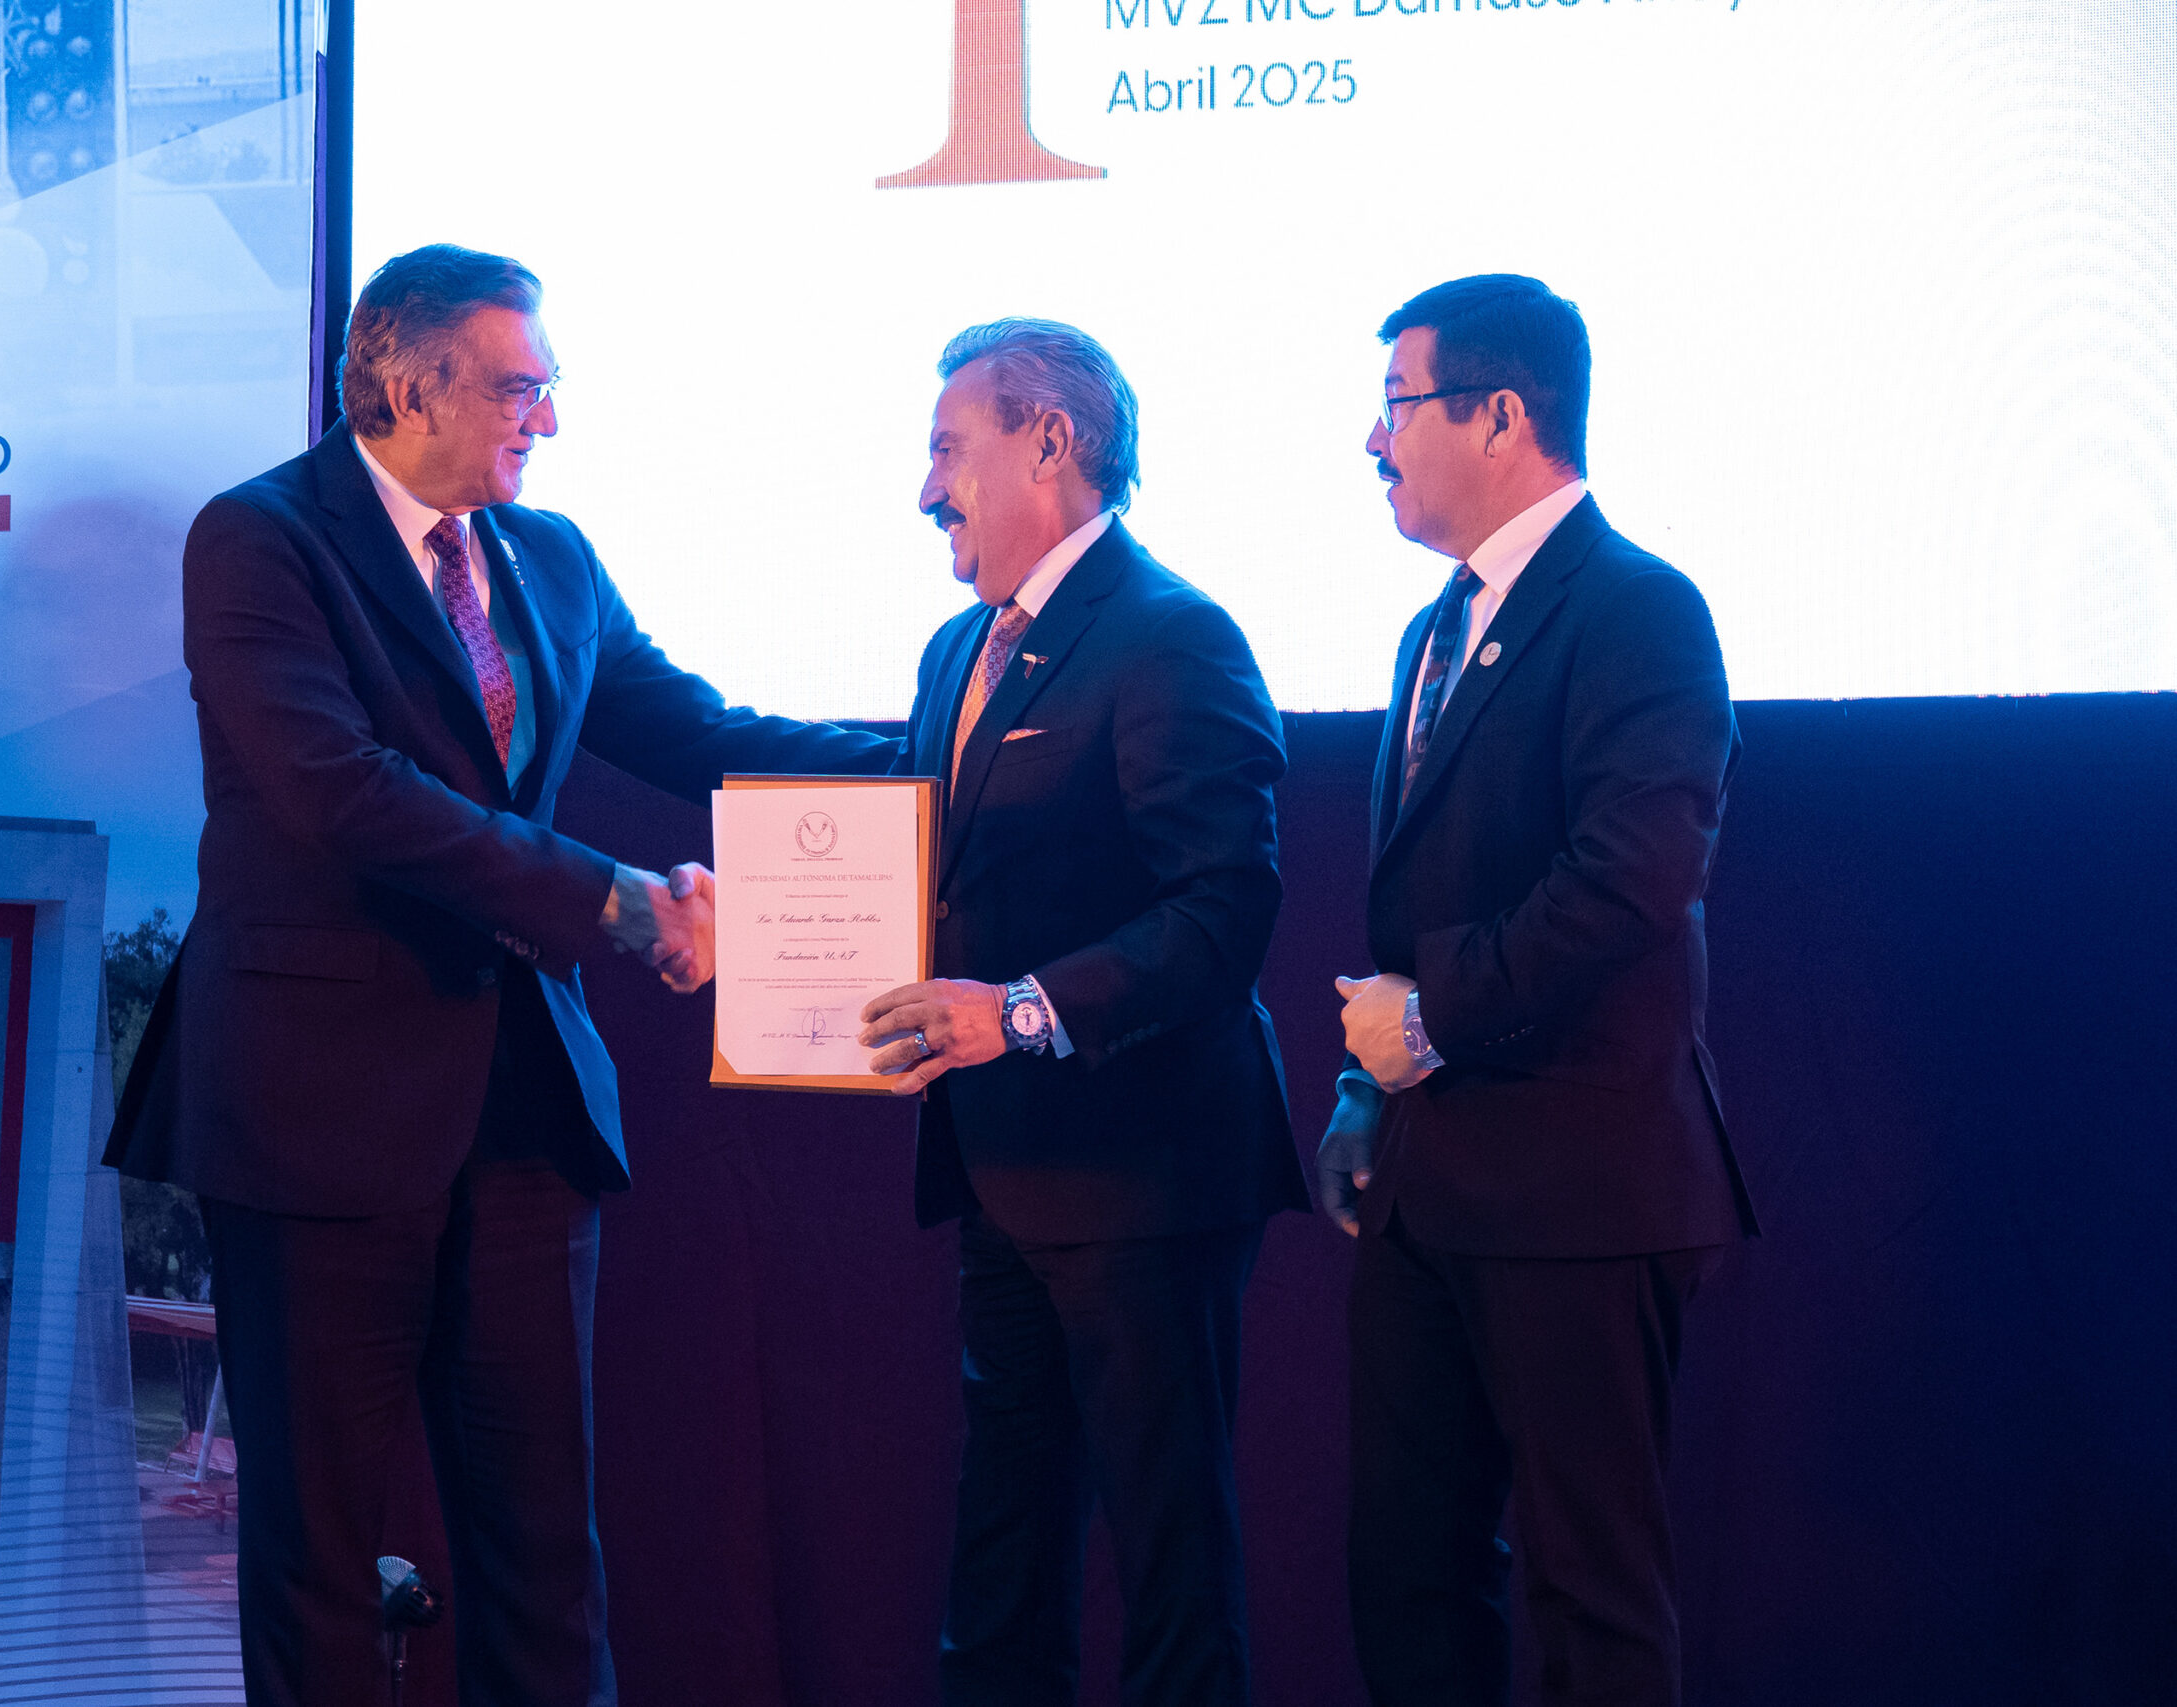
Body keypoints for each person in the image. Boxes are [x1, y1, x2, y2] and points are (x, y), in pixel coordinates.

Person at [105, 244, 894, 1707]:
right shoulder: (261, 539)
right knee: (320, 1554)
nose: (550, 419)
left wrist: (934, 754)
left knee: (543, 1554)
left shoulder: (550, 556)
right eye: (521, 388)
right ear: (409, 385)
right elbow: (346, 793)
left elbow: (695, 731)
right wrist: (614, 900)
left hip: (523, 1114)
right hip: (316, 1114)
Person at [1320, 274, 1761, 1707]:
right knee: (1408, 1573)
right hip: (1428, 1187)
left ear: (1501, 415)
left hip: (1580, 1188)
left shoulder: (1638, 609)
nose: (1371, 442)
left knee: (1593, 1595)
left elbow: (1631, 881)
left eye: (1395, 405)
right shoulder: (1430, 630)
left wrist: (1426, 1019)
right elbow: (1424, 905)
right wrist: (1368, 1084)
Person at [855, 319, 1306, 1707]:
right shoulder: (958, 649)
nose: (925, 490)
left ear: (1050, 442)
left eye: (947, 450)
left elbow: (1222, 911)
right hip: (1001, 1170)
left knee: (1170, 1569)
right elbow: (923, 856)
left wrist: (1020, 1012)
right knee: (1004, 1556)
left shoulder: (1173, 636)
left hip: (1146, 1178)